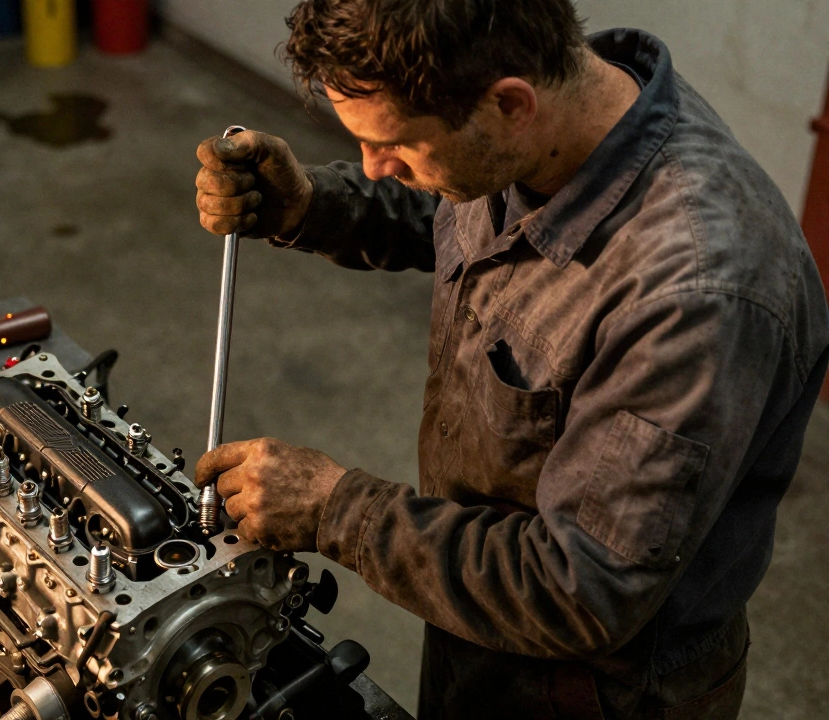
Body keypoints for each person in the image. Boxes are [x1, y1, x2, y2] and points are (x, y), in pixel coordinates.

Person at [191, 1, 829, 718]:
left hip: (596, 690)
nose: (376, 165)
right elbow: (460, 217)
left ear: (510, 105)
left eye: (396, 143)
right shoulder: (554, 128)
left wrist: (340, 511)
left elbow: (581, 587)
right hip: (480, 629)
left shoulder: (696, 294)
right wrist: (314, 205)